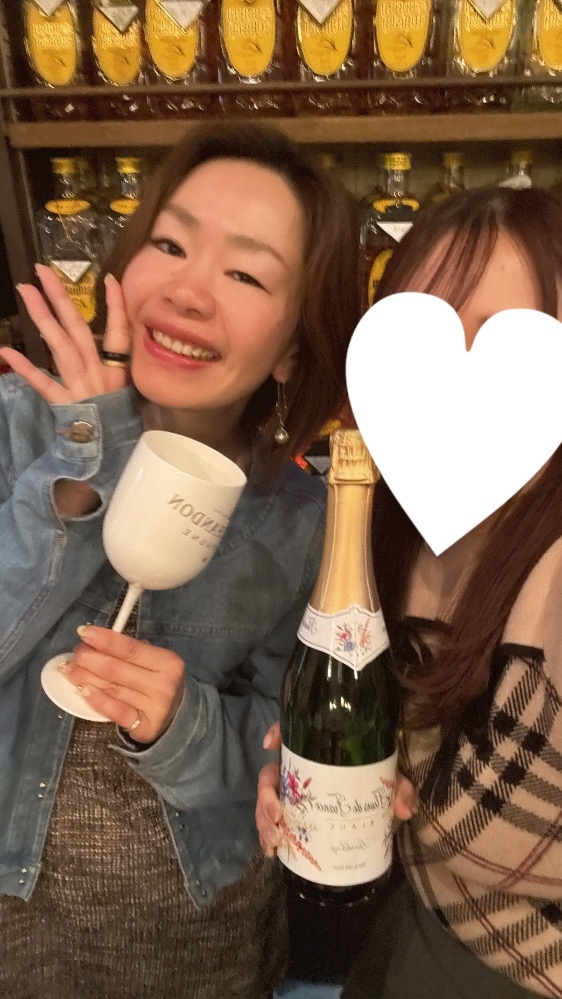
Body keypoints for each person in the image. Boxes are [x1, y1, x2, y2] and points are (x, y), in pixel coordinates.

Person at [0, 121, 361, 999]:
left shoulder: (303, 522)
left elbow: (290, 751)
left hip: (200, 937)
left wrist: (183, 724)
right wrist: (84, 460)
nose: (190, 291)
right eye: (169, 244)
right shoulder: (21, 424)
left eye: (246, 274)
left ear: (291, 347)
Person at [256, 186, 562, 999]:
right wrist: (317, 771)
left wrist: (377, 779)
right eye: (426, 345)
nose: (452, 385)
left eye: (504, 349)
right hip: (410, 929)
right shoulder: (387, 528)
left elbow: (492, 828)